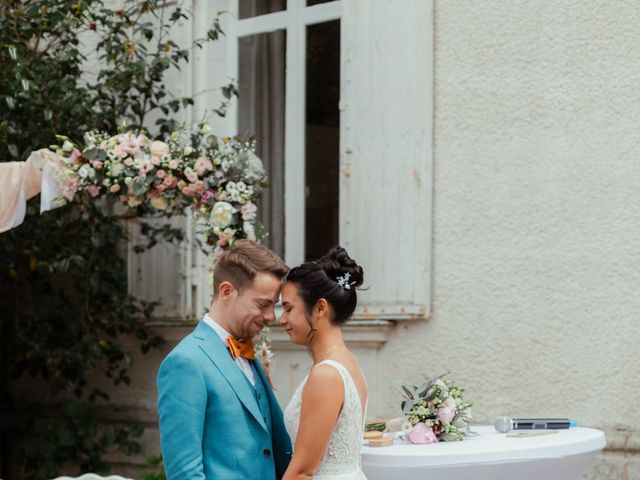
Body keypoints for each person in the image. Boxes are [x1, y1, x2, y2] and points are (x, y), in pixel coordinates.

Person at [157, 240, 292, 480]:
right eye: (263, 304)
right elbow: (184, 473)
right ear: (227, 292)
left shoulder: (248, 352)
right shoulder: (185, 362)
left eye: (274, 306)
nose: (272, 316)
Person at [280, 246, 368, 480]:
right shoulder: (349, 361)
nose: (282, 319)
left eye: (288, 308)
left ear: (320, 308)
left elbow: (302, 472)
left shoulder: (326, 374)